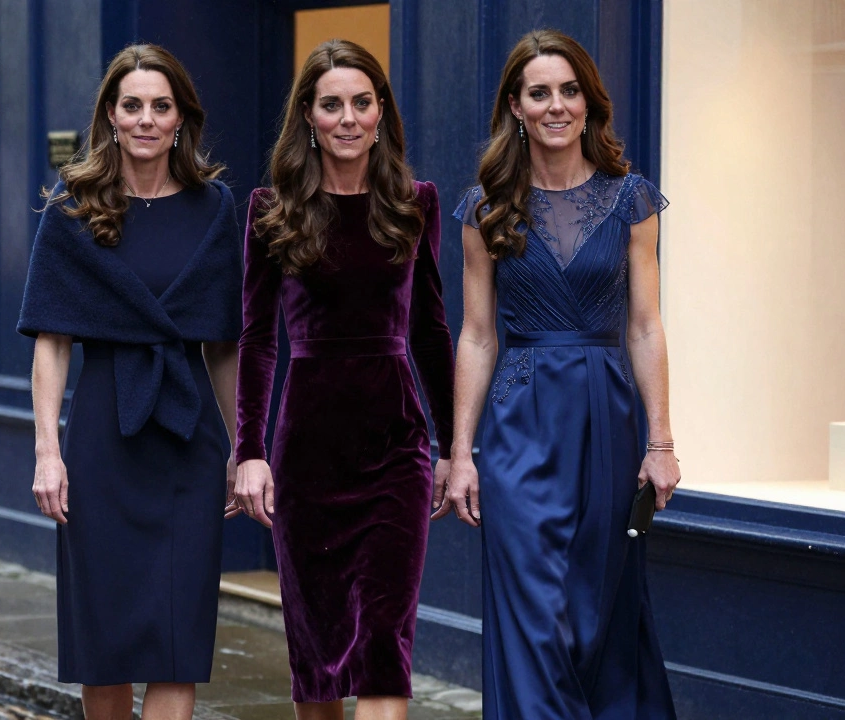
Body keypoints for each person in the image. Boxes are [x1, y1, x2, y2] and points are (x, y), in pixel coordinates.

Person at [441, 29, 680, 719]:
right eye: (539, 92)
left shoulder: (631, 201)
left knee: (599, 609)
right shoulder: (484, 207)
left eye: (569, 90)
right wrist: (461, 452)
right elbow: (479, 336)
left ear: (588, 101)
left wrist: (660, 441)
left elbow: (644, 325)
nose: (556, 105)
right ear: (514, 106)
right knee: (532, 615)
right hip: (519, 424)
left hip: (607, 417)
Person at [16, 44, 242, 720]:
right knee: (104, 642)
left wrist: (243, 448)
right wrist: (47, 451)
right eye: (132, 105)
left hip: (188, 439)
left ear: (181, 119)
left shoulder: (215, 208)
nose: (147, 119)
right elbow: (51, 344)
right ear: (110, 117)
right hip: (102, 438)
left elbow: (226, 345)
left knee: (178, 640)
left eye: (161, 106)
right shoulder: (73, 208)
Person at [233, 38, 455, 720]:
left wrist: (454, 448)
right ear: (308, 116)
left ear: (382, 112)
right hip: (307, 455)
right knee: (320, 664)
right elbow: (259, 337)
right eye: (332, 105)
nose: (349, 118)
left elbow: (429, 332)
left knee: (386, 648)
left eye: (363, 102)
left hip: (395, 450)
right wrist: (250, 451)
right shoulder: (272, 210)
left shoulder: (415, 204)